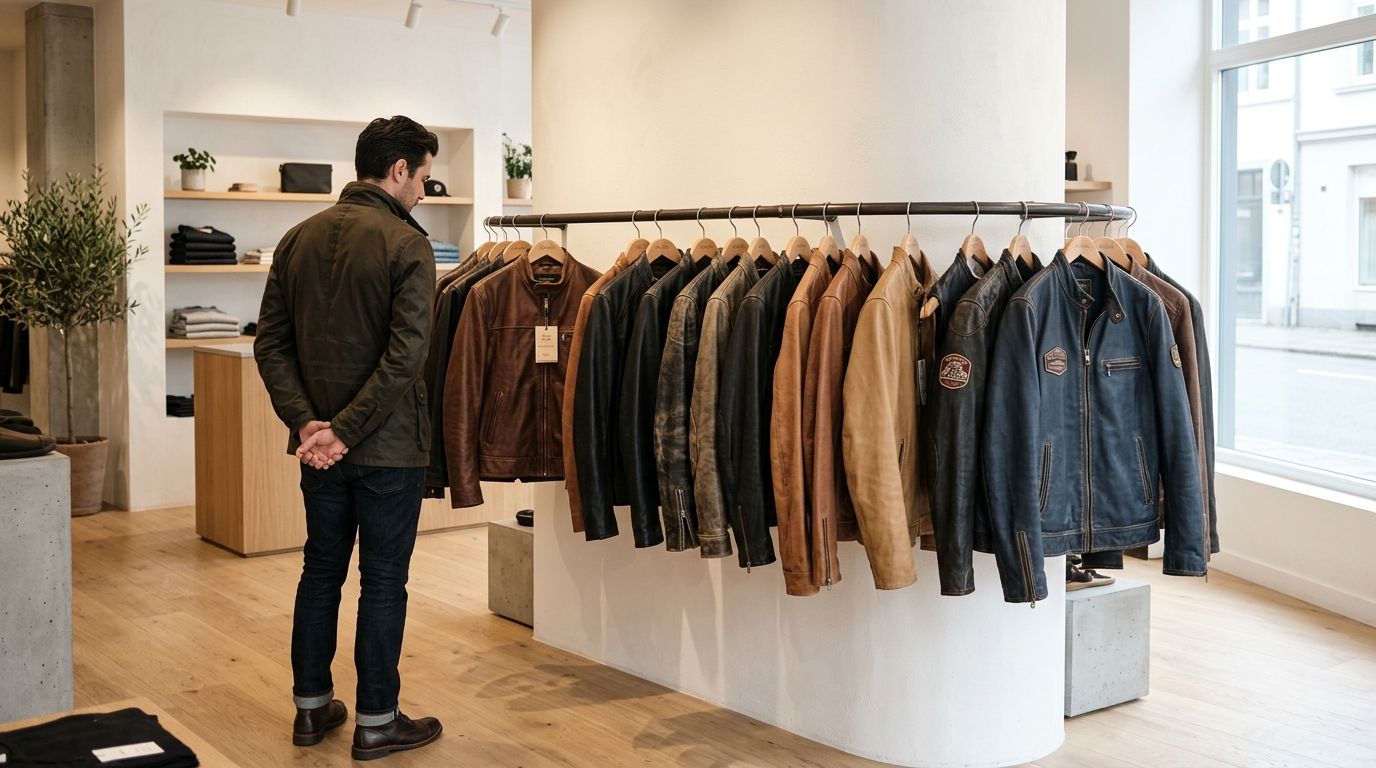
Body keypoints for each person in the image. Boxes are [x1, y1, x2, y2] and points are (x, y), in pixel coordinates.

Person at [255, 115, 443, 762]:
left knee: (320, 572)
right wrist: (343, 431)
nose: (423, 190)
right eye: (422, 177)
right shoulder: (407, 244)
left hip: (320, 451)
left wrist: (309, 425)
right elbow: (406, 356)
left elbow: (270, 344)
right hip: (387, 450)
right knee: (383, 582)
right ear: (398, 171)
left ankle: (311, 712)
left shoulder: (296, 238)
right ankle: (376, 722)